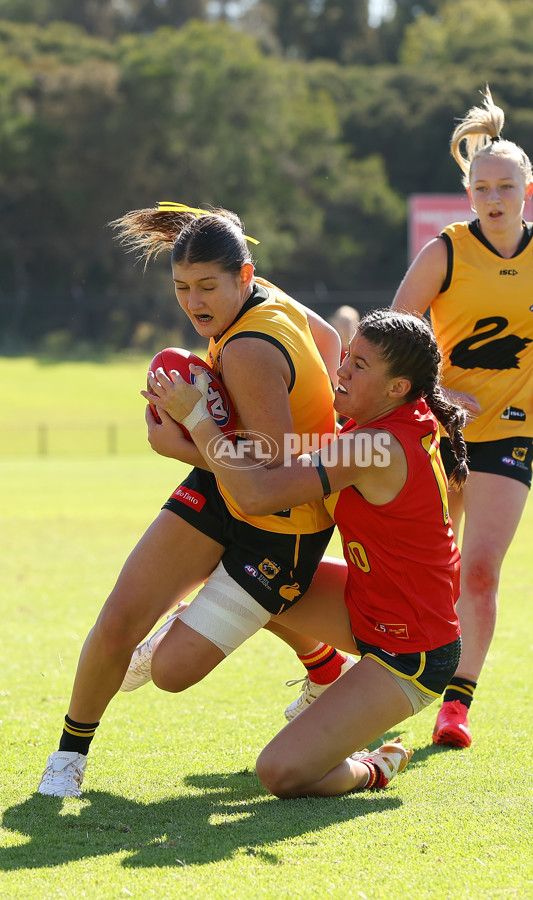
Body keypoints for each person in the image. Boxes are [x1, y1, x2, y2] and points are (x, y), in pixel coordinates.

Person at [37, 202, 355, 798]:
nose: (194, 302)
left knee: (169, 672)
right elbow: (331, 338)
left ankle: (305, 656)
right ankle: (67, 760)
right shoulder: (267, 297)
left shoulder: (248, 349)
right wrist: (321, 412)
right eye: (182, 288)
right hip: (223, 481)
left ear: (244, 276)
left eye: (208, 286)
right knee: (121, 615)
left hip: (282, 524)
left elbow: (271, 471)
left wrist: (177, 439)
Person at [142, 308, 468, 797]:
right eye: (348, 355)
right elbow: (276, 471)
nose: (342, 369)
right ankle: (325, 670)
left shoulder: (375, 445)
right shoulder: (380, 421)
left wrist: (195, 419)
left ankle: (376, 767)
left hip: (413, 650)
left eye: (359, 365)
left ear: (397, 387)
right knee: (259, 579)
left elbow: (257, 494)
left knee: (279, 773)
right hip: (366, 604)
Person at [392, 86, 533, 748]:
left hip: (510, 430)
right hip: (438, 430)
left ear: (529, 187)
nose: (494, 198)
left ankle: (457, 702)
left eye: (506, 186)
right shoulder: (445, 251)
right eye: (482, 188)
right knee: (432, 569)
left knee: (479, 569)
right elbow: (398, 329)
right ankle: (386, 679)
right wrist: (439, 389)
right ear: (469, 193)